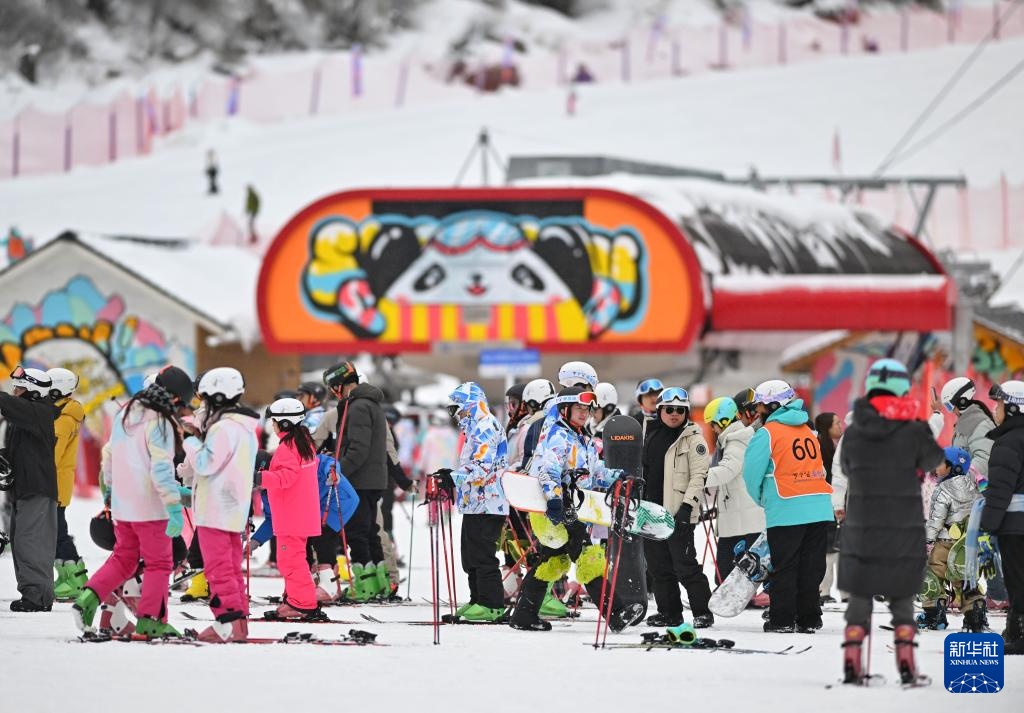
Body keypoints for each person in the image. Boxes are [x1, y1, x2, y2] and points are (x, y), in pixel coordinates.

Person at [837, 359, 944, 684]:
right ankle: (906, 658)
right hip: (904, 526)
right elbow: (934, 460)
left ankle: (853, 653)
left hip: (861, 525)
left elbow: (845, 467)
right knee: (901, 594)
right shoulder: (914, 429)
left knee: (860, 590)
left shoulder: (855, 431)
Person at [509, 387, 643, 632]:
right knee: (587, 557)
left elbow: (595, 473)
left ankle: (523, 615)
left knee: (551, 562)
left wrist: (619, 478)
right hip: (559, 510)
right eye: (579, 408)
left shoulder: (582, 438)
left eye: (588, 409)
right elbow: (547, 471)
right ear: (565, 409)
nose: (585, 413)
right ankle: (616, 613)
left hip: (574, 508)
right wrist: (554, 500)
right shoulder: (558, 436)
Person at [72, 370, 193, 635]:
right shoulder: (160, 422)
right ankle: (152, 621)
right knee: (159, 563)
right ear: (173, 397)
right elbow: (161, 471)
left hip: (124, 505)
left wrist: (110, 492)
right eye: (181, 404)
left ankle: (88, 599)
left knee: (123, 559)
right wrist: (174, 507)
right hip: (150, 507)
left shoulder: (125, 413)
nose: (180, 410)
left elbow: (110, 455)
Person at [742, 379, 833, 634]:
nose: (757, 411)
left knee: (785, 566)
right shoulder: (808, 430)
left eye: (760, 406)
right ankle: (809, 618)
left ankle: (782, 620)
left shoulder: (767, 434)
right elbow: (821, 469)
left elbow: (750, 475)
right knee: (811, 567)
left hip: (786, 508)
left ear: (773, 405)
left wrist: (763, 499)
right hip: (819, 507)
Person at [180, 367, 259, 642]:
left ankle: (225, 621)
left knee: (218, 568)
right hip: (234, 507)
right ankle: (239, 622)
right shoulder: (245, 428)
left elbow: (205, 463)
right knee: (231, 566)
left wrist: (189, 439)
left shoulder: (223, 428)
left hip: (215, 508)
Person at [312, 361, 389, 602]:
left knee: (357, 532)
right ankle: (380, 582)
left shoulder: (357, 406)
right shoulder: (369, 404)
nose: (332, 392)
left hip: (360, 478)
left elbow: (358, 448)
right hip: (373, 477)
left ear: (339, 385)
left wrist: (338, 469)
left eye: (332, 387)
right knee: (369, 531)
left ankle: (365, 585)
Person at [642, 387, 714, 627]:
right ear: (660, 410)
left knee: (685, 566)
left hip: (677, 514)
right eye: (669, 409)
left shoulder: (693, 438)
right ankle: (669, 612)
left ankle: (702, 611)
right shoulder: (650, 435)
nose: (674, 414)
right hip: (650, 513)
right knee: (659, 568)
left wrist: (686, 508)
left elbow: (699, 476)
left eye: (680, 410)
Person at [443, 382, 509, 622]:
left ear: (470, 406)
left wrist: (452, 477)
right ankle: (477, 599)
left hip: (489, 502)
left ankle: (491, 604)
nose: (456, 415)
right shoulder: (474, 429)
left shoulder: (486, 427)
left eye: (458, 409)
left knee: (482, 554)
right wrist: (451, 475)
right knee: (469, 555)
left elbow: (481, 468)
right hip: (475, 503)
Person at [253, 398, 322, 620]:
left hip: (291, 516)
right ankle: (295, 600)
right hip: (300, 514)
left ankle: (303, 603)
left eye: (274, 421)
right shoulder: (304, 443)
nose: (271, 425)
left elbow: (287, 477)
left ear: (284, 423)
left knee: (291, 561)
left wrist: (260, 477)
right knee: (294, 560)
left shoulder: (288, 447)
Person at [1, 366, 59, 612]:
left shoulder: (38, 412)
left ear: (33, 391)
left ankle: (37, 598)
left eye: (19, 387)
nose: (14, 391)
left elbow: (8, 405)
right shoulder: (27, 417)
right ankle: (33, 594)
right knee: (22, 542)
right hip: (24, 488)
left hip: (37, 489)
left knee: (31, 543)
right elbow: (23, 450)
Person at [981, 381, 1024, 655]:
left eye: (998, 404)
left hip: (1016, 523)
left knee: (1017, 579)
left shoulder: (1009, 440)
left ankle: (1020, 633)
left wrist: (988, 526)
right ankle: (1014, 629)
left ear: (1011, 407)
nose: (994, 410)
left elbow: (1000, 490)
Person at [919, 446, 983, 631]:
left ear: (953, 467)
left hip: (943, 543)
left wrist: (928, 540)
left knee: (933, 575)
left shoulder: (943, 489)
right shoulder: (973, 486)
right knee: (965, 579)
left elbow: (936, 520)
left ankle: (934, 616)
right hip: (965, 545)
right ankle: (975, 615)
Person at [703, 396, 764, 583]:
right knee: (725, 569)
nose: (712, 429)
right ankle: (731, 592)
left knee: (728, 567)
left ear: (723, 420)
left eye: (713, 424)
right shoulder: (733, 439)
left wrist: (699, 477)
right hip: (738, 516)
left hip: (743, 518)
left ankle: (740, 593)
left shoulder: (737, 440)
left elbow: (728, 471)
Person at [47, 367, 89, 601]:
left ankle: (74, 580)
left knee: (57, 533)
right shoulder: (62, 413)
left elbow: (52, 454)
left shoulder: (63, 419)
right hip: (57, 483)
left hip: (54, 484)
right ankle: (70, 578)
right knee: (56, 531)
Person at [938, 377, 995, 478]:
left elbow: (984, 459)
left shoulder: (980, 424)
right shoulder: (966, 423)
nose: (951, 411)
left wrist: (962, 479)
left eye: (949, 406)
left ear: (962, 401)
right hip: (966, 489)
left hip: (977, 489)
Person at [814, 412, 842, 604]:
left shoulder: (838, 446)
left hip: (837, 503)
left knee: (839, 548)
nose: (840, 426)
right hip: (827, 502)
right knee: (829, 550)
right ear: (827, 427)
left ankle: (844, 592)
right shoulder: (821, 448)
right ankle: (823, 589)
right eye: (837, 423)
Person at [514, 378, 556, 470]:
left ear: (533, 403)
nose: (527, 408)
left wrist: (521, 470)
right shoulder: (560, 417)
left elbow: (530, 457)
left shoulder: (534, 424)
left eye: (527, 404)